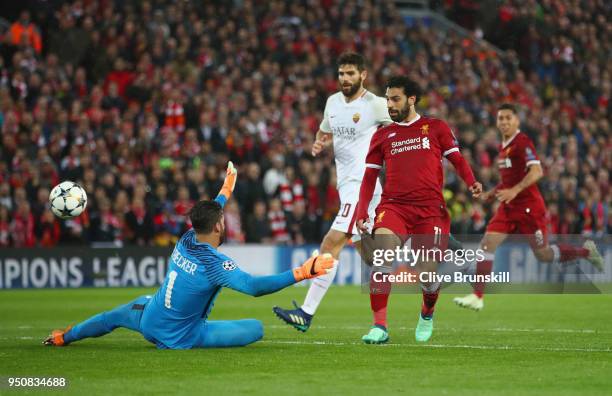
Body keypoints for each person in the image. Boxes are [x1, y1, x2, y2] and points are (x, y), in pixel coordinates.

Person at [43, 162, 335, 349]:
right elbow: (254, 288)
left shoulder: (186, 238)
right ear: (219, 226)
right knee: (255, 329)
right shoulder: (215, 263)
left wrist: (225, 189)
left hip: (148, 319)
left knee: (112, 316)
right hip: (182, 338)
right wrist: (302, 272)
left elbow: (209, 212)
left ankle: (63, 337)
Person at [355, 76, 482, 344]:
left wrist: (471, 182)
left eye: (395, 99)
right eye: (388, 99)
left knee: (426, 275)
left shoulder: (435, 127)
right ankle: (380, 327)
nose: (390, 104)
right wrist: (361, 211)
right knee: (382, 258)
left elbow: (457, 160)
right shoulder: (382, 135)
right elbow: (369, 178)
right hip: (394, 207)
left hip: (430, 211)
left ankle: (427, 312)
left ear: (411, 99)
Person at [272, 52, 392, 331]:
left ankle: (306, 312)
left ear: (363, 75)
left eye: (350, 73)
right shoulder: (332, 103)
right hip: (347, 185)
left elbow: (400, 127)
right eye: (341, 74)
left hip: (362, 185)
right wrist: (320, 143)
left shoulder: (375, 105)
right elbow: (324, 132)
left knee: (330, 243)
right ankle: (430, 255)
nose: (345, 79)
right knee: (375, 257)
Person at [453, 104, 603, 311]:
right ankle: (478, 296)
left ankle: (586, 252)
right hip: (508, 208)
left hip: (529, 209)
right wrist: (491, 193)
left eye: (508, 118)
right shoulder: (503, 147)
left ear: (516, 121)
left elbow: (537, 171)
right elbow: (508, 181)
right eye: (501, 119)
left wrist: (515, 190)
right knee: (486, 245)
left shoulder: (522, 142)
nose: (504, 122)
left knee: (543, 255)